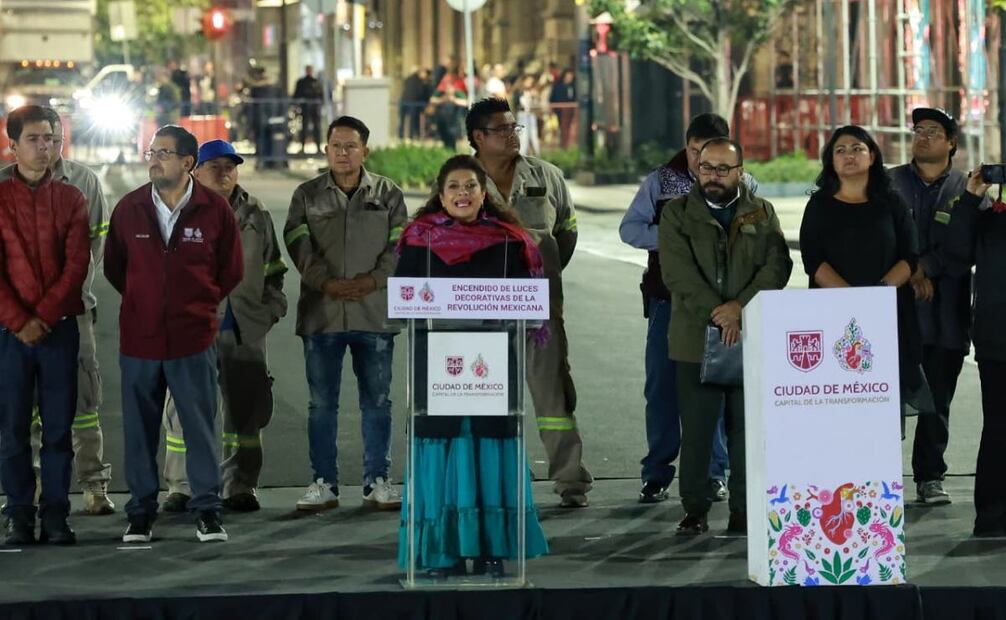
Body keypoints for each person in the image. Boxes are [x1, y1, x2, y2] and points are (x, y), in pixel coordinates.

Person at [394, 154, 549, 577]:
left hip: (492, 365)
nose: (463, 194)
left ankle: (489, 548)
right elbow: (402, 300)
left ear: (484, 194)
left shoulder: (510, 243)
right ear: (440, 196)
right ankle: (442, 551)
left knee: (486, 447)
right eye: (454, 187)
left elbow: (529, 304)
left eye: (471, 186)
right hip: (437, 364)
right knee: (443, 446)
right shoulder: (417, 240)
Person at [104, 125, 244, 544]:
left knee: (200, 427)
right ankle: (141, 512)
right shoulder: (129, 209)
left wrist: (198, 308)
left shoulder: (214, 210)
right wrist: (146, 303)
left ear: (187, 163)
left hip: (192, 339)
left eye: (164, 152)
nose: (154, 158)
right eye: (152, 150)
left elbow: (230, 270)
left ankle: (207, 510)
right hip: (140, 341)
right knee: (140, 429)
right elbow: (116, 268)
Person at [659, 138, 792, 535]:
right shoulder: (677, 214)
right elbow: (677, 274)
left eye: (722, 169)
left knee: (747, 431)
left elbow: (777, 265)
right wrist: (721, 315)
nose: (713, 176)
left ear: (740, 172)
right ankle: (695, 510)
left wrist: (740, 308)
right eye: (705, 167)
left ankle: (744, 511)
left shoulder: (761, 212)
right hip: (693, 340)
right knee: (697, 432)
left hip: (750, 338)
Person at [465, 97, 593, 508]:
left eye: (513, 128)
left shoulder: (546, 176)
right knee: (488, 397)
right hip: (482, 312)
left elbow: (567, 233)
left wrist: (543, 274)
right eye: (501, 130)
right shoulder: (460, 181)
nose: (511, 136)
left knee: (553, 395)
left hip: (539, 310)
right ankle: (498, 482)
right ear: (478, 138)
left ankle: (570, 480)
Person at [620, 113, 748, 505]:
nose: (701, 162)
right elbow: (630, 229)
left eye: (710, 154)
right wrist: (675, 237)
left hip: (723, 309)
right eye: (695, 152)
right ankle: (657, 473)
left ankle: (715, 473)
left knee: (716, 389)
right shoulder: (661, 181)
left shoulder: (741, 182)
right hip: (668, 302)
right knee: (662, 388)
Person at [283, 116, 407, 512]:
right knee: (322, 405)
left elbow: (400, 246)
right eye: (335, 145)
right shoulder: (307, 195)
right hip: (323, 315)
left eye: (351, 146)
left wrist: (373, 281)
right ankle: (324, 482)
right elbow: (297, 244)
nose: (342, 153)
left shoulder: (389, 194)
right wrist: (326, 283)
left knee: (378, 402)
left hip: (375, 314)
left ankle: (377, 481)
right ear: (325, 149)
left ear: (365, 151)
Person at [160, 140, 288, 513]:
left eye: (230, 165)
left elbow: (273, 269)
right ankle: (181, 486)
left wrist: (270, 311)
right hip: (192, 329)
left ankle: (239, 485)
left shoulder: (255, 211)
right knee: (185, 410)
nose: (224, 172)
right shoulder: (176, 210)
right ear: (194, 171)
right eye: (214, 165)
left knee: (245, 414)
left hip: (244, 327)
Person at [0, 108, 114, 516]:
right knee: (18, 412)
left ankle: (93, 485)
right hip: (13, 324)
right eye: (35, 138)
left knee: (81, 406)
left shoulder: (82, 183)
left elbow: (91, 252)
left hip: (71, 313)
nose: (45, 145)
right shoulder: (4, 186)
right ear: (15, 143)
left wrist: (57, 307)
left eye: (51, 137)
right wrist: (20, 317)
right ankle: (24, 496)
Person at [799, 125, 932, 427]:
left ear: (872, 156)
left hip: (886, 315)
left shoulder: (892, 202)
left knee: (880, 402)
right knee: (840, 402)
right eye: (840, 150)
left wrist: (876, 295)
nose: (849, 155)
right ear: (830, 160)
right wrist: (852, 301)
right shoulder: (819, 206)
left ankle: (880, 473)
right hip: (832, 316)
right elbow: (813, 261)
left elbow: (909, 257)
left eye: (857, 148)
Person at [889, 108, 974, 505]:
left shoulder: (966, 189)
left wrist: (925, 267)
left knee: (937, 401)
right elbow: (881, 238)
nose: (923, 137)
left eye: (933, 131)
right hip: (897, 313)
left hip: (946, 316)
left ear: (951, 142)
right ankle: (880, 475)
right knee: (884, 399)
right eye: (918, 130)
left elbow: (967, 249)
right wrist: (912, 270)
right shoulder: (890, 183)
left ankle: (930, 477)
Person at [943, 164, 1006, 537]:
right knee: (998, 427)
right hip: (997, 339)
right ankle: (993, 516)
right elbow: (955, 255)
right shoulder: (990, 219)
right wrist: (971, 197)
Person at [293, 65, 325, 154]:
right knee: (304, 128)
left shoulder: (317, 82)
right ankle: (303, 147)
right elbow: (296, 95)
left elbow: (321, 95)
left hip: (315, 108)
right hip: (306, 108)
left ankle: (318, 147)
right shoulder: (302, 82)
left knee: (316, 128)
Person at [429, 77, 467, 149]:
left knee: (452, 140)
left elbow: (465, 102)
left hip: (453, 122)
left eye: (450, 88)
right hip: (443, 122)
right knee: (445, 139)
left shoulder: (458, 93)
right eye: (447, 88)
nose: (449, 90)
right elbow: (432, 99)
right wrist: (442, 100)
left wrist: (454, 100)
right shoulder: (441, 93)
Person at [399, 68, 431, 141]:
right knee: (413, 120)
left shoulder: (408, 79)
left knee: (403, 120)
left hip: (404, 101)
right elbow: (421, 93)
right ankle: (412, 135)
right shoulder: (420, 82)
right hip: (413, 102)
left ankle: (401, 135)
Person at [548, 69, 576, 149]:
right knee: (562, 128)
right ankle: (563, 146)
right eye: (568, 77)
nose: (569, 78)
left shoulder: (573, 87)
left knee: (569, 129)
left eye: (571, 77)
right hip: (560, 111)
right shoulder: (558, 87)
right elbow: (552, 99)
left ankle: (568, 146)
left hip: (571, 111)